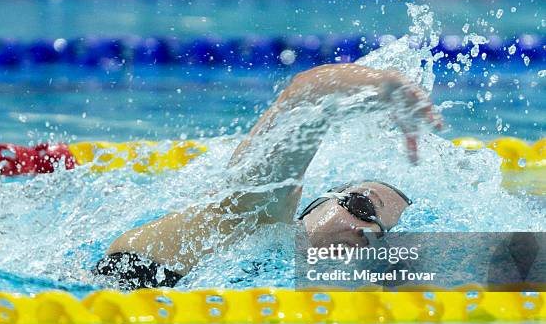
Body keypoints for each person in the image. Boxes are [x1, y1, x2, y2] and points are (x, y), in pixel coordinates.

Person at [93, 63, 442, 289]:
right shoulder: (257, 217)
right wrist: (381, 84)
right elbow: (305, 97)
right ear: (317, 203)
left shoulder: (290, 284)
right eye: (363, 206)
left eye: (380, 236)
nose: (365, 231)